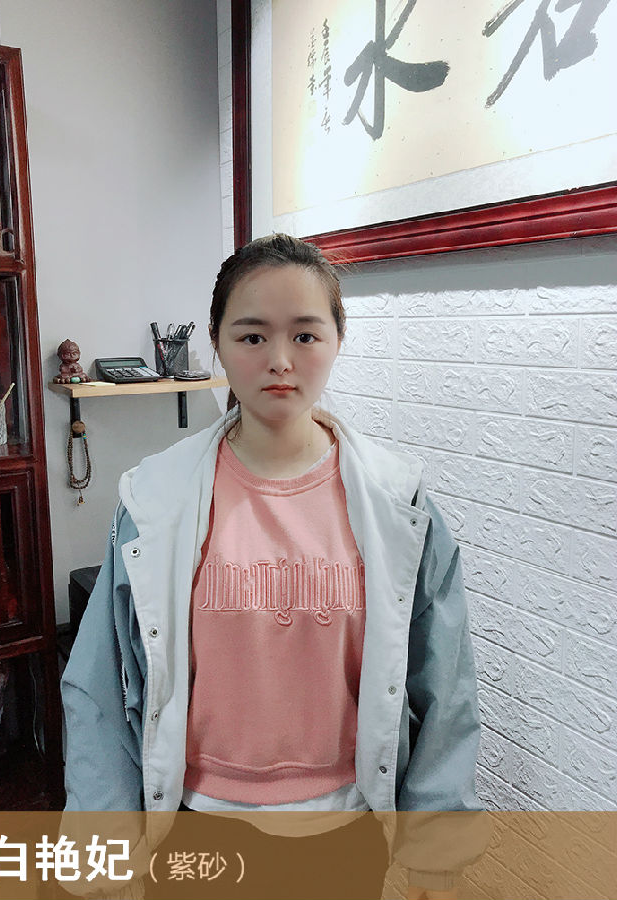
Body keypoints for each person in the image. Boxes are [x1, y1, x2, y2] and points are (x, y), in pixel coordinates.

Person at [60, 234, 488, 900]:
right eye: (253, 336)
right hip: (194, 825)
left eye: (306, 336)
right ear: (216, 341)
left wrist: (436, 843)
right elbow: (99, 688)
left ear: (338, 340)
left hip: (345, 829)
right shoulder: (153, 500)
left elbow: (444, 681)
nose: (280, 361)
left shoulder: (397, 501)